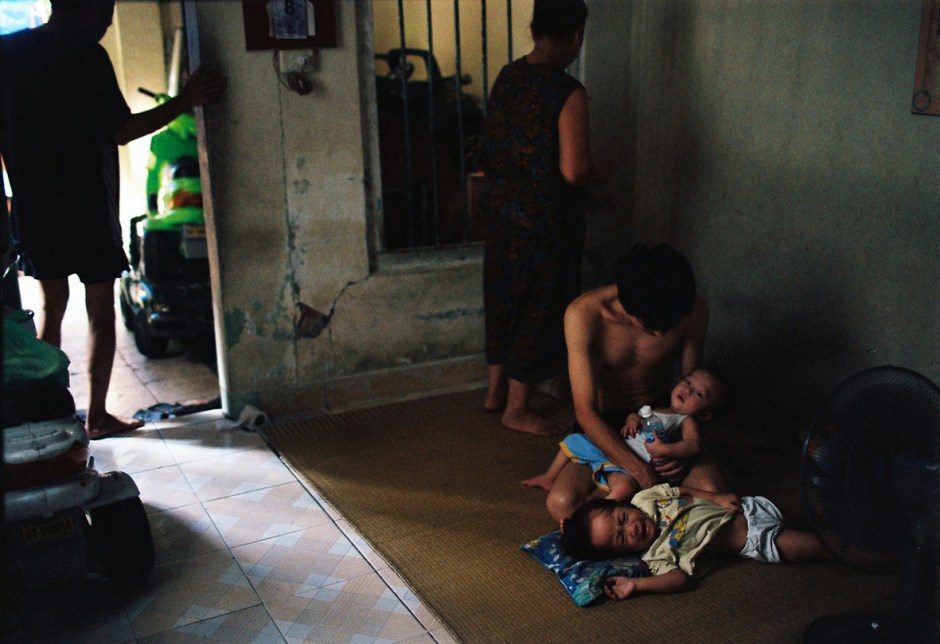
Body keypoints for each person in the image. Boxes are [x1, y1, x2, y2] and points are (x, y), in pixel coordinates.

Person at [0, 0, 226, 439]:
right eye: (103, 14)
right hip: (87, 203)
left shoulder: (9, 52)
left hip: (35, 204)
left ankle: (45, 414)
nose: (106, 23)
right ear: (80, 9)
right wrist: (186, 100)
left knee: (51, 308)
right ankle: (97, 417)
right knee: (100, 311)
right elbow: (121, 130)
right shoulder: (87, 54)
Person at [480, 0, 607, 436]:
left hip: (500, 212)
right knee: (540, 306)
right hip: (545, 221)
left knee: (502, 298)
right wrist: (601, 170)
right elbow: (573, 171)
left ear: (535, 30)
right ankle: (517, 408)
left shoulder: (508, 76)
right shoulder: (567, 91)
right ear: (576, 35)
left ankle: (494, 391)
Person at [546, 244, 725, 521]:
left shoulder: (693, 309)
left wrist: (684, 451)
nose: (660, 334)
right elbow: (585, 412)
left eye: (668, 326)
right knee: (563, 504)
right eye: (651, 326)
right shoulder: (583, 314)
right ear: (627, 306)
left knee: (713, 494)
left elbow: (695, 394)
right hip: (605, 425)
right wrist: (643, 472)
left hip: (662, 421)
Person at [560, 485, 827, 601]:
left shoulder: (644, 499)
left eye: (622, 518)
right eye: (621, 538)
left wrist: (716, 497)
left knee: (817, 507)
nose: (632, 528)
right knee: (823, 546)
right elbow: (678, 579)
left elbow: (681, 490)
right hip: (757, 540)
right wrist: (637, 585)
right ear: (621, 553)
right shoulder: (654, 555)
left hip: (748, 507)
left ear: (621, 504)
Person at [523, 367, 726, 507]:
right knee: (574, 441)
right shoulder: (659, 408)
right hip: (616, 450)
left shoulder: (686, 420)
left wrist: (666, 450)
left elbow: (693, 445)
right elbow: (635, 415)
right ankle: (549, 476)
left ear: (704, 415)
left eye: (698, 394)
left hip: (633, 467)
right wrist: (632, 420)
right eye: (687, 382)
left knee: (623, 488)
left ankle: (598, 512)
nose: (688, 390)